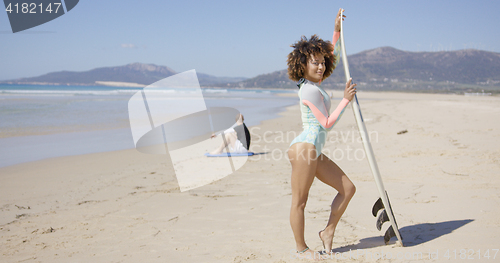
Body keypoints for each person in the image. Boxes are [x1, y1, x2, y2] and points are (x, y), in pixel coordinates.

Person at [286, 8, 357, 260]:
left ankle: (327, 232)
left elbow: (333, 55)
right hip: (305, 148)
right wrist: (345, 101)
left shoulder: (315, 86)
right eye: (314, 62)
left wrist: (336, 29)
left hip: (314, 150)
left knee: (347, 188)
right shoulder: (308, 91)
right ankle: (301, 249)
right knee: (300, 202)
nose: (320, 65)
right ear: (302, 65)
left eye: (321, 62)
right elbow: (325, 123)